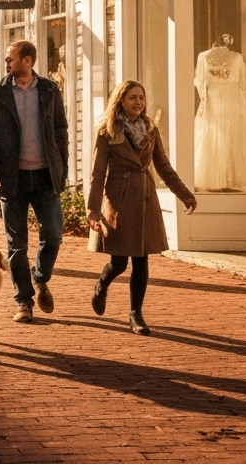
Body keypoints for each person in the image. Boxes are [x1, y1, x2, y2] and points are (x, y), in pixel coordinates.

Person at [87, 80, 197, 335]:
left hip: (146, 198)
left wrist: (185, 195)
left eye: (141, 98)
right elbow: (97, 173)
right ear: (121, 101)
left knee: (141, 259)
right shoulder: (107, 131)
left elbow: (164, 166)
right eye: (133, 98)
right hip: (119, 199)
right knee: (119, 262)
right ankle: (101, 285)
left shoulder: (150, 129)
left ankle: (135, 314)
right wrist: (93, 209)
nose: (138, 102)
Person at [0, 40, 69, 324]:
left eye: (11, 59)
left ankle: (40, 278)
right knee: (16, 245)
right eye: (7, 60)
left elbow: (60, 130)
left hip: (44, 177)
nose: (7, 64)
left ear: (27, 61)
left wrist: (61, 166)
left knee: (53, 234)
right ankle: (24, 301)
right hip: (12, 178)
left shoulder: (49, 90)